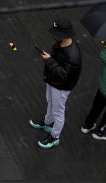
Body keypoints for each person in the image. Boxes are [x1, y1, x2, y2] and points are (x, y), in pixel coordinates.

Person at [29, 19, 82, 149]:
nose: (55, 35)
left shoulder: (73, 56)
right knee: (50, 101)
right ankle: (47, 122)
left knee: (58, 111)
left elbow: (63, 74)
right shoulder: (62, 43)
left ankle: (54, 137)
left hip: (61, 86)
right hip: (53, 80)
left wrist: (49, 60)